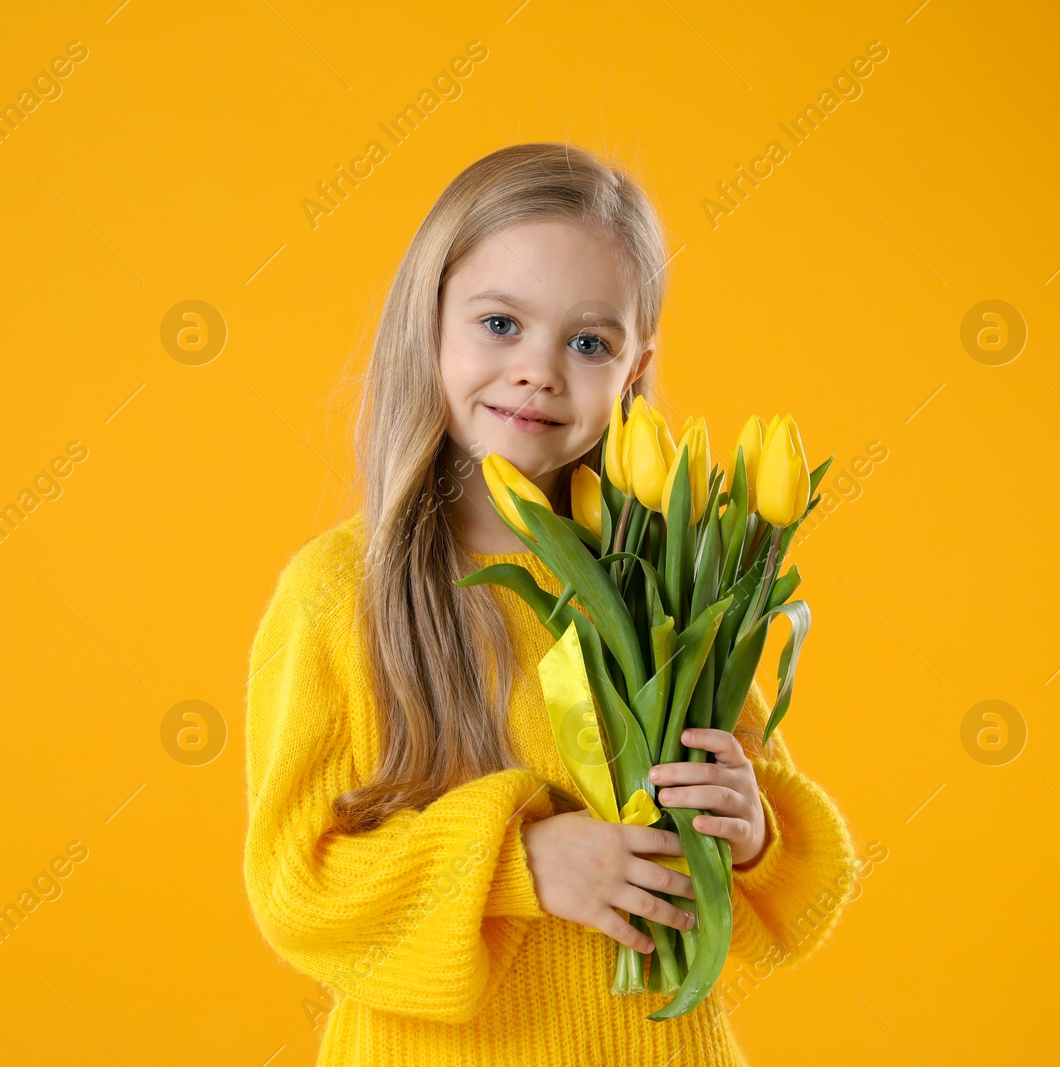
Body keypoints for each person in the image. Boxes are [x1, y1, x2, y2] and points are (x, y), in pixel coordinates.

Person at [243, 142, 858, 1066]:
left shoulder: (663, 587)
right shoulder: (341, 595)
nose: (538, 369)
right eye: (499, 323)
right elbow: (298, 886)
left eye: (587, 342)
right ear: (430, 322)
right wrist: (516, 864)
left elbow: (801, 898)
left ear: (634, 367)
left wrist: (753, 826)